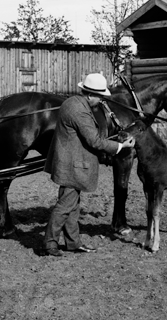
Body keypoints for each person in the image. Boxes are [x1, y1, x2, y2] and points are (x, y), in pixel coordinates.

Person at [42, 73, 135, 257]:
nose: (100, 101)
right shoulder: (79, 110)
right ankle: (49, 243)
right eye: (100, 97)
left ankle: (73, 243)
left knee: (73, 206)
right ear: (90, 94)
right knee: (64, 206)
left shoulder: (73, 102)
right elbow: (94, 140)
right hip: (72, 165)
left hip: (70, 161)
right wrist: (120, 146)